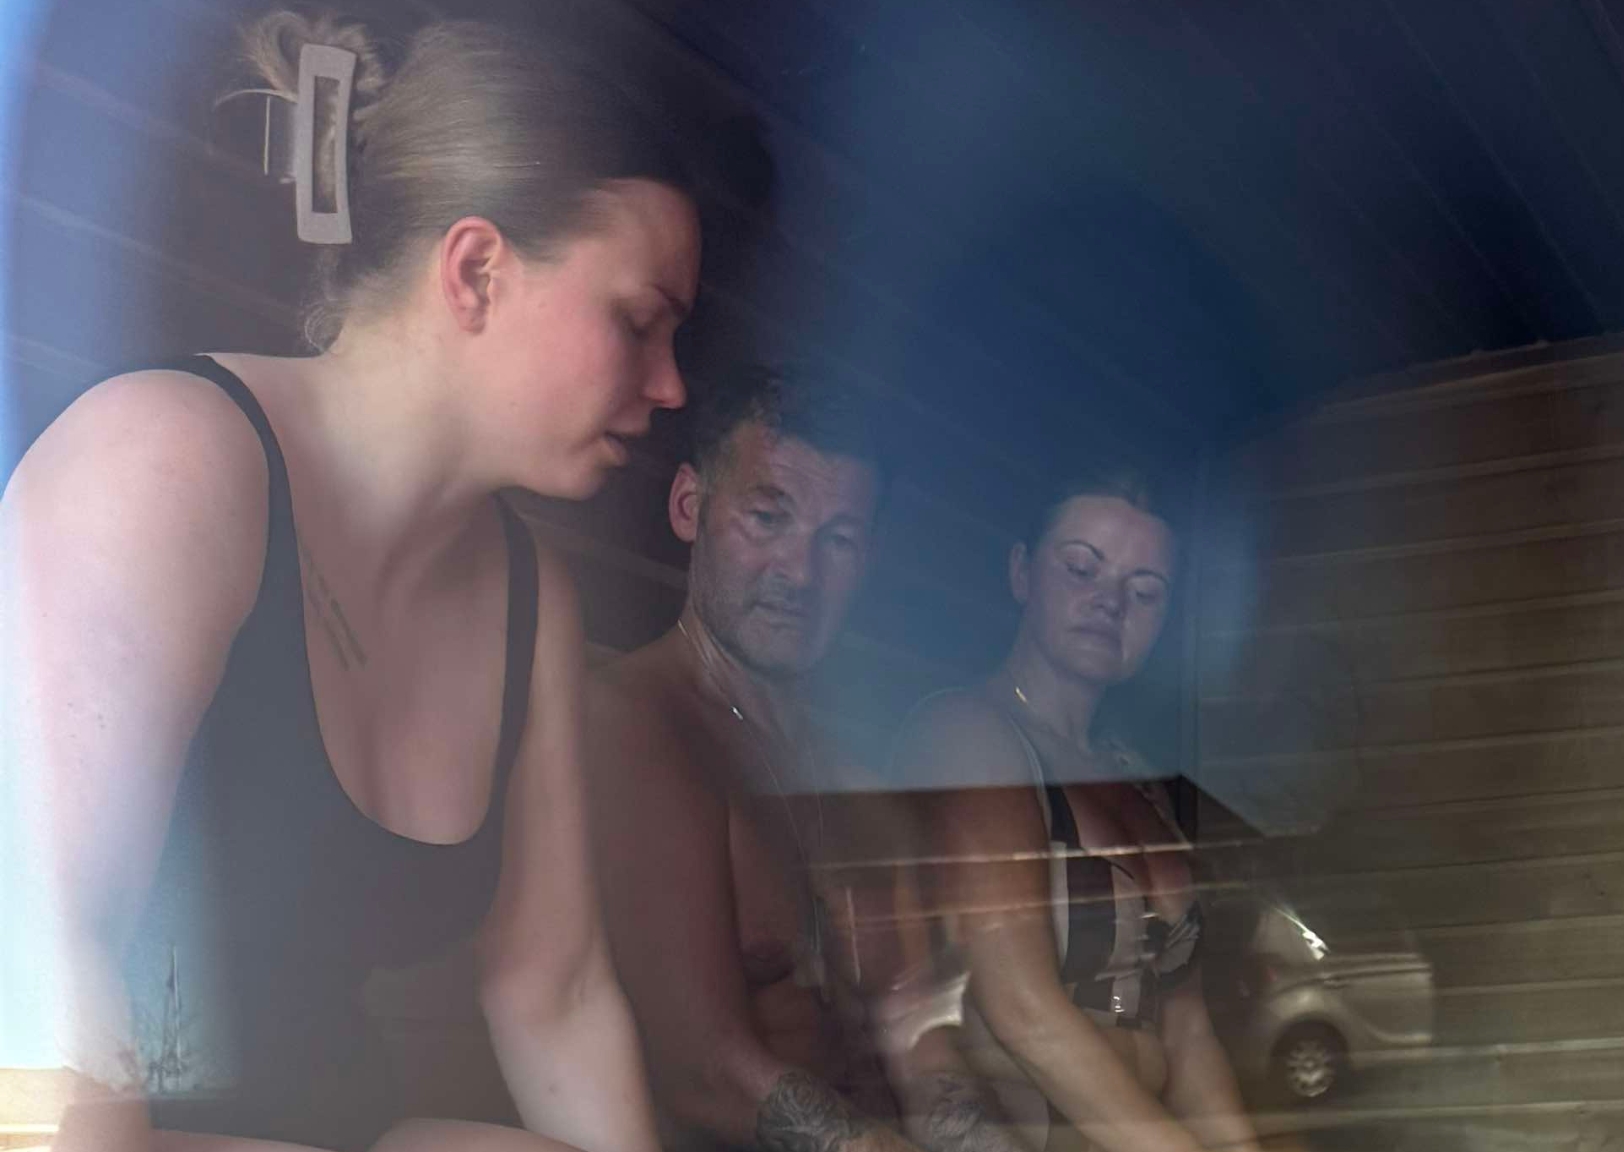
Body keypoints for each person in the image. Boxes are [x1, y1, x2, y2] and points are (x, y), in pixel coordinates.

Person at [1, 10, 709, 1152]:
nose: (673, 386)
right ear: (475, 271)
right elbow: (31, 965)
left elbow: (555, 992)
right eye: (637, 322)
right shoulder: (165, 466)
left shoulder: (531, 597)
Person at [587, 367, 1014, 1152]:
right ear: (691, 507)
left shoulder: (850, 777)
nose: (801, 572)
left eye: (839, 540)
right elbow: (703, 1068)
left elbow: (921, 1034)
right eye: (767, 517)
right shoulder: (635, 723)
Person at [889, 472, 1260, 1152]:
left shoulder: (1135, 775)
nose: (1110, 602)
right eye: (1082, 568)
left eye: (1145, 591)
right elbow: (1020, 1011)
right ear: (1023, 572)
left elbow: (1188, 1029)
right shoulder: (968, 734)